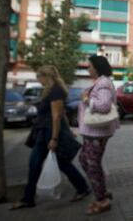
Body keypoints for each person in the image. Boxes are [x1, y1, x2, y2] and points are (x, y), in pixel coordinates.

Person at [10, 65, 90, 210]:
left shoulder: (55, 91)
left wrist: (54, 138)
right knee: (56, 163)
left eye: (39, 77)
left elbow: (56, 115)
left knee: (39, 164)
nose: (38, 80)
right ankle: (82, 187)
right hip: (44, 132)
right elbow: (63, 114)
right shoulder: (52, 90)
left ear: (46, 76)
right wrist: (69, 130)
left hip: (48, 133)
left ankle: (28, 199)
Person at [78, 55, 119, 215]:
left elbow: (104, 106)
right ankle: (101, 190)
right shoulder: (100, 82)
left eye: (90, 66)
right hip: (93, 131)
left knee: (92, 164)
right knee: (85, 161)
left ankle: (102, 200)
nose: (88, 68)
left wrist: (87, 100)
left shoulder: (103, 83)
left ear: (97, 67)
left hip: (97, 132)